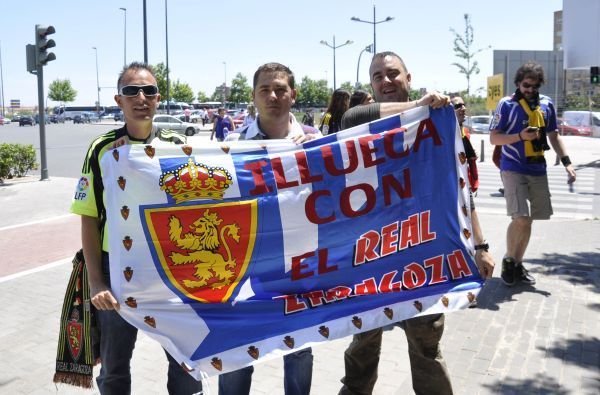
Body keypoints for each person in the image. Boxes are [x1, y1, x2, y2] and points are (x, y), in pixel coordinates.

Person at [338, 51, 495, 395]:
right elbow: (353, 115)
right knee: (362, 348)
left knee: (426, 349)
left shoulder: (440, 125)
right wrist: (425, 107)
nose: (386, 81)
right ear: (371, 85)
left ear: (409, 78)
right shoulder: (360, 122)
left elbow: (461, 191)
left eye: (393, 74)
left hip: (424, 256)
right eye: (378, 76)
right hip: (371, 258)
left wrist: (480, 246)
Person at [71, 62, 202, 394]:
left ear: (158, 99)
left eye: (149, 91)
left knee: (186, 360)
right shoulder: (100, 149)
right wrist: (97, 281)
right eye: (131, 91)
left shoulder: (178, 145)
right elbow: (89, 216)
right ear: (119, 100)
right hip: (115, 273)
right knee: (114, 369)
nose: (140, 97)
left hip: (169, 273)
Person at [220, 62, 320, 395]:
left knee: (299, 348)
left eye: (280, 89)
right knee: (237, 348)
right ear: (253, 96)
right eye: (265, 89)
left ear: (293, 95)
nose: (273, 95)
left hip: (299, 263)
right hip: (247, 263)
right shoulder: (231, 145)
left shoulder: (316, 141)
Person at [490, 61, 576, 287]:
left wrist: (567, 162)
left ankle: (517, 264)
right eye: (526, 85)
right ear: (518, 83)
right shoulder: (506, 104)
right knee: (520, 217)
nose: (530, 90)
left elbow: (554, 135)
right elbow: (494, 138)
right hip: (512, 167)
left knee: (529, 222)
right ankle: (509, 261)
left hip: (537, 168)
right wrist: (519, 136)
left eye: (535, 86)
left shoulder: (546, 104)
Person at [451, 96, 479, 193]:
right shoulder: (445, 133)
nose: (463, 108)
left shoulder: (465, 131)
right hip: (451, 186)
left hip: (465, 184)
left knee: (471, 208)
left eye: (464, 105)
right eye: (458, 106)